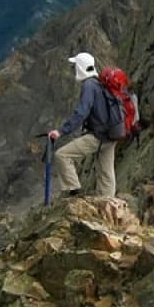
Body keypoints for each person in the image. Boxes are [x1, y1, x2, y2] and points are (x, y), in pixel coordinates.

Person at [46, 52, 117, 199]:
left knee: (62, 155)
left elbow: (81, 113)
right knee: (106, 173)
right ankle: (107, 202)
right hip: (112, 134)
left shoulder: (89, 86)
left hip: (98, 136)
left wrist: (60, 131)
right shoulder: (100, 83)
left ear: (80, 68)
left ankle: (74, 192)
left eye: (75, 66)